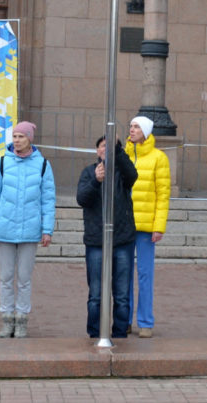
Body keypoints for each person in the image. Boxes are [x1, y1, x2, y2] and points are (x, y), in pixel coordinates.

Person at [0, 121, 56, 339]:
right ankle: (7, 319)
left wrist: (47, 229)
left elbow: (48, 200)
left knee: (24, 278)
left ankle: (22, 319)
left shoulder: (43, 165)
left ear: (30, 139)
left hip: (30, 231)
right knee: (5, 277)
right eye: (14, 136)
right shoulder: (2, 163)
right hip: (5, 229)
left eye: (21, 136)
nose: (16, 140)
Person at [76, 135, 137, 339]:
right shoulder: (88, 172)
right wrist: (96, 180)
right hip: (96, 241)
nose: (106, 150)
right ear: (97, 151)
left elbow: (133, 175)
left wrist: (118, 149)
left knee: (121, 294)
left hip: (122, 240)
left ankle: (120, 334)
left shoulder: (122, 173)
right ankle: (94, 334)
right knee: (96, 295)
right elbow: (82, 199)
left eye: (110, 147)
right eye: (103, 147)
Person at [124, 115, 170, 339]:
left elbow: (163, 195)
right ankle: (124, 321)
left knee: (144, 275)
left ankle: (145, 322)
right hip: (124, 225)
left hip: (144, 227)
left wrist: (158, 226)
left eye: (136, 127)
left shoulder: (158, 158)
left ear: (145, 131)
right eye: (130, 126)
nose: (131, 130)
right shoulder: (122, 155)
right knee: (123, 275)